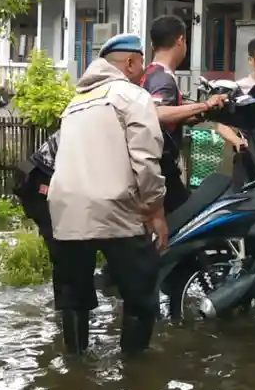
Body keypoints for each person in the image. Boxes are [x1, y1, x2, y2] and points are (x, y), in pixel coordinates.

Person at [48, 33, 168, 356]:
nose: (143, 70)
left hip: (65, 209)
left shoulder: (74, 103)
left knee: (74, 295)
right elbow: (145, 160)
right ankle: (134, 374)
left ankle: (75, 369)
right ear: (129, 63)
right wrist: (156, 210)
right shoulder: (132, 96)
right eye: (141, 63)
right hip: (116, 208)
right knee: (141, 290)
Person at [141, 15, 226, 214]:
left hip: (155, 167)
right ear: (180, 40)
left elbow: (170, 113)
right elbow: (158, 114)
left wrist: (201, 114)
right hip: (161, 168)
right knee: (187, 218)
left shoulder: (151, 73)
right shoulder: (162, 78)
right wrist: (205, 105)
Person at [12, 131, 64, 305]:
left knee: (63, 248)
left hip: (39, 178)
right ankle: (64, 307)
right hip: (40, 182)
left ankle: (65, 306)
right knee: (61, 248)